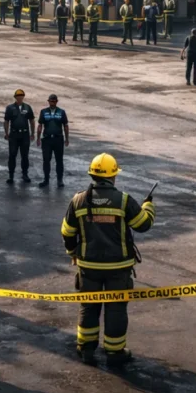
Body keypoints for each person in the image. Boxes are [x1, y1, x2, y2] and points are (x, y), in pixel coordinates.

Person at [61, 153, 155, 366]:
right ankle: (115, 352)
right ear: (113, 176)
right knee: (116, 309)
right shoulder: (123, 200)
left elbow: (67, 232)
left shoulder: (78, 200)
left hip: (88, 266)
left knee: (88, 306)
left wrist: (73, 253)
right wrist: (148, 207)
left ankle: (86, 348)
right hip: (118, 268)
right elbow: (143, 225)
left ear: (92, 175)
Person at [36, 94, 69, 187]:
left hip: (58, 139)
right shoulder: (43, 112)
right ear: (48, 101)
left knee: (59, 160)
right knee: (46, 159)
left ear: (56, 102)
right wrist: (38, 138)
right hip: (47, 139)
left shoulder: (61, 112)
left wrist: (67, 139)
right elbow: (40, 125)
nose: (52, 103)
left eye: (54, 101)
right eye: (51, 101)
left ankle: (60, 180)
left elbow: (65, 126)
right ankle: (46, 180)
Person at [4, 89, 35, 184]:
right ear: (15, 97)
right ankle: (11, 176)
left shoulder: (27, 107)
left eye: (21, 96)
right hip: (14, 135)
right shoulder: (10, 108)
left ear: (23, 97)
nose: (20, 97)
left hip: (24, 134)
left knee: (25, 156)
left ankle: (25, 174)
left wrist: (32, 133)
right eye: (18, 96)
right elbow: (6, 121)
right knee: (12, 155)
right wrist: (6, 133)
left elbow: (32, 120)